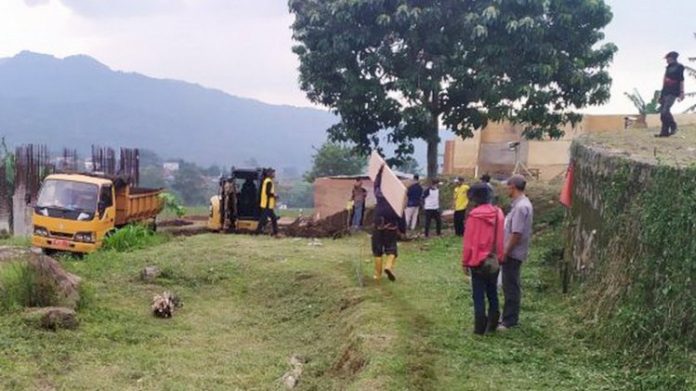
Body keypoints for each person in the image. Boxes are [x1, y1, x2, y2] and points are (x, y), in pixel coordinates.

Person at [462, 183, 505, 335]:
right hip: (492, 260)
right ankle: (493, 323)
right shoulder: (498, 213)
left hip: (476, 261)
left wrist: (465, 261)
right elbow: (500, 239)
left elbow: (468, 242)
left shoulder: (473, 216)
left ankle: (479, 326)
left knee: (478, 295)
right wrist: (499, 257)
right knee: (492, 292)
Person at [501, 175, 534, 329]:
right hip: (513, 251)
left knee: (511, 286)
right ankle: (508, 316)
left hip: (513, 253)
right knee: (510, 285)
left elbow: (516, 233)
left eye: (508, 187)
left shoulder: (521, 207)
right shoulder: (519, 204)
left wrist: (506, 251)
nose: (507, 189)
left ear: (513, 186)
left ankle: (509, 320)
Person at [372, 165, 405, 282]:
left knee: (377, 251)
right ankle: (388, 267)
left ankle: (377, 275)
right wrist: (403, 230)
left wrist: (379, 174)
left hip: (378, 226)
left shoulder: (379, 196)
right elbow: (401, 215)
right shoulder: (396, 200)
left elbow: (376, 185)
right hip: (391, 228)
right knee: (392, 250)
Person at [656, 51, 685, 138]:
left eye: (667, 59)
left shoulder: (679, 67)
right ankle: (664, 133)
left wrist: (682, 92)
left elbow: (681, 80)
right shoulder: (668, 68)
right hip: (665, 91)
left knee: (665, 111)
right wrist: (661, 94)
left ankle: (673, 126)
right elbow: (664, 82)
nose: (666, 60)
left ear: (671, 58)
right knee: (662, 113)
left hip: (673, 92)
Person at [255, 168, 279, 236]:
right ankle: (258, 232)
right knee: (265, 219)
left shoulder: (266, 181)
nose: (274, 174)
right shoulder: (268, 181)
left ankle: (275, 232)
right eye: (273, 173)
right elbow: (267, 193)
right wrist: (274, 195)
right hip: (267, 204)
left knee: (270, 218)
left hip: (266, 204)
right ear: (269, 174)